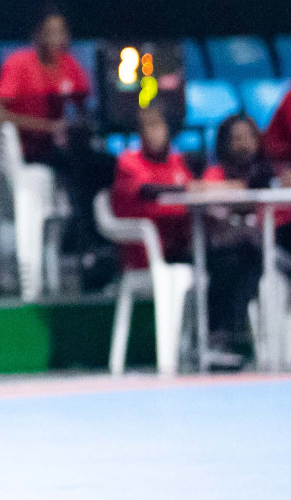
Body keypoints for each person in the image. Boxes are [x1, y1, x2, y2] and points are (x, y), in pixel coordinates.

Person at [201, 115, 287, 359]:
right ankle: (223, 338)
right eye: (236, 138)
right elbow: (202, 192)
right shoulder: (216, 174)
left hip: (271, 251)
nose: (244, 144)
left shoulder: (272, 175)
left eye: (248, 137)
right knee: (233, 263)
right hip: (226, 251)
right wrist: (242, 189)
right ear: (224, 143)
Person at [0, 11, 92, 163]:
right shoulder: (18, 63)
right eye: (51, 32)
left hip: (59, 149)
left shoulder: (69, 64)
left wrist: (74, 127)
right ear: (37, 35)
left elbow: (83, 109)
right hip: (24, 152)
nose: (58, 38)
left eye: (62, 31)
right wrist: (48, 127)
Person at [110, 109, 200, 269]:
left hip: (183, 233)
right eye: (148, 128)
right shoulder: (129, 161)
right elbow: (146, 190)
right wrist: (185, 189)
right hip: (147, 241)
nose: (154, 134)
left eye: (158, 127)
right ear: (141, 134)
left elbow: (193, 191)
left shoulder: (176, 161)